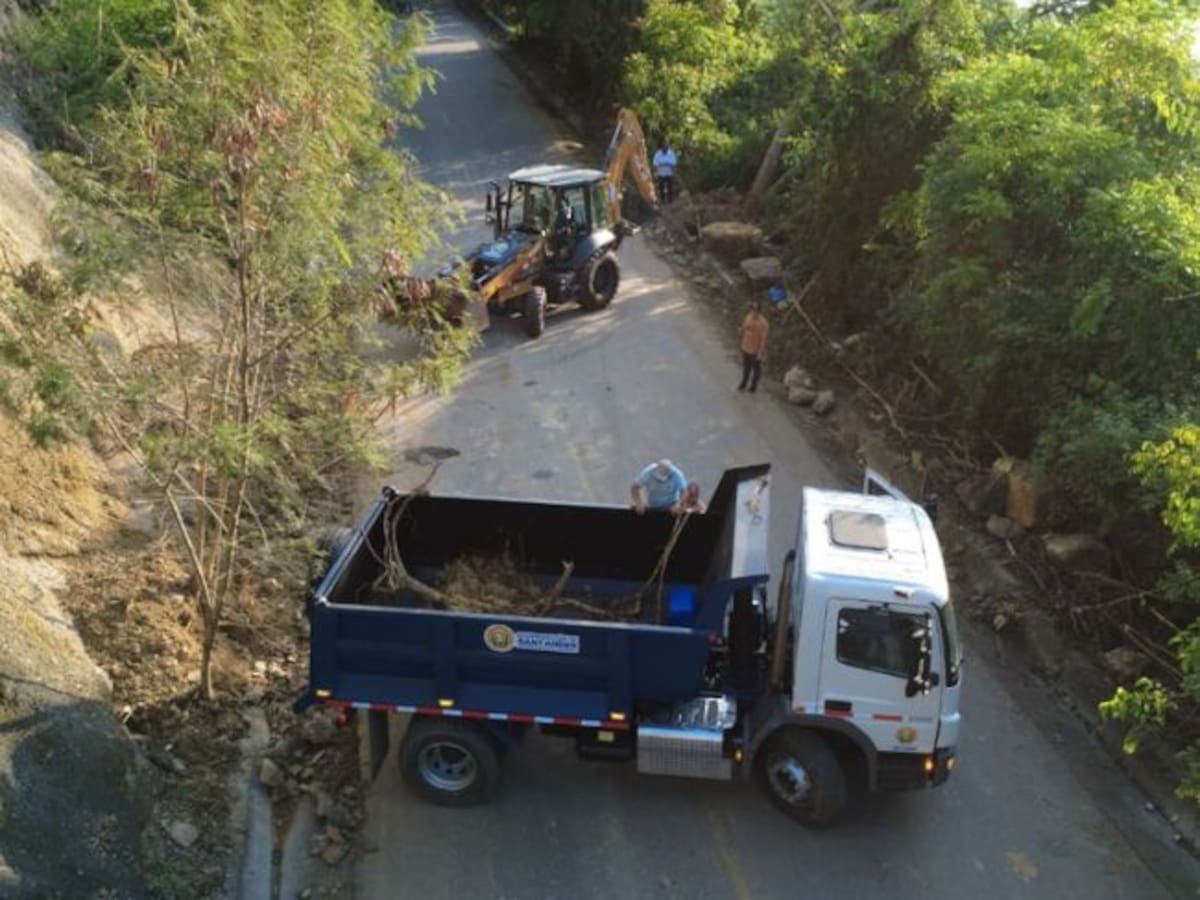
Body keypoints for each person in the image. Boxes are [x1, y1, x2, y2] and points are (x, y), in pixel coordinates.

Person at [631, 459, 696, 514]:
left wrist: (679, 504)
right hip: (652, 505)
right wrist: (638, 502)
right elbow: (634, 487)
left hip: (671, 506)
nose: (661, 481)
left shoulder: (677, 474)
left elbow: (684, 491)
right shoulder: (648, 471)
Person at [737, 300, 769, 393]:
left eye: (755, 310)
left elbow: (763, 340)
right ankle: (743, 383)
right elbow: (743, 328)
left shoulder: (763, 323)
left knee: (756, 369)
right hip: (746, 347)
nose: (753, 312)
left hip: (755, 350)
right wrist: (741, 332)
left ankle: (753, 386)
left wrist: (760, 353)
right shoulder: (748, 317)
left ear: (759, 311)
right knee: (746, 367)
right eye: (752, 310)